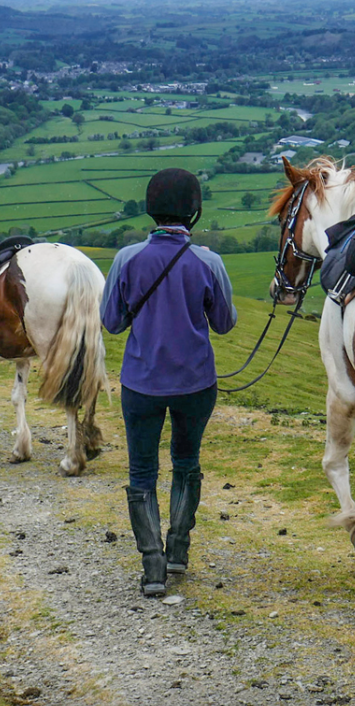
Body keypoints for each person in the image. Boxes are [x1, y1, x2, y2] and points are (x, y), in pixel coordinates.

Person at [101, 168, 237, 597]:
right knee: (186, 462)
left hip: (141, 382)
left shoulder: (126, 259)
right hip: (196, 383)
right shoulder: (208, 261)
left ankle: (152, 567)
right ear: (193, 211)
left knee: (142, 471)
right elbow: (225, 323)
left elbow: (112, 322)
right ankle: (178, 548)